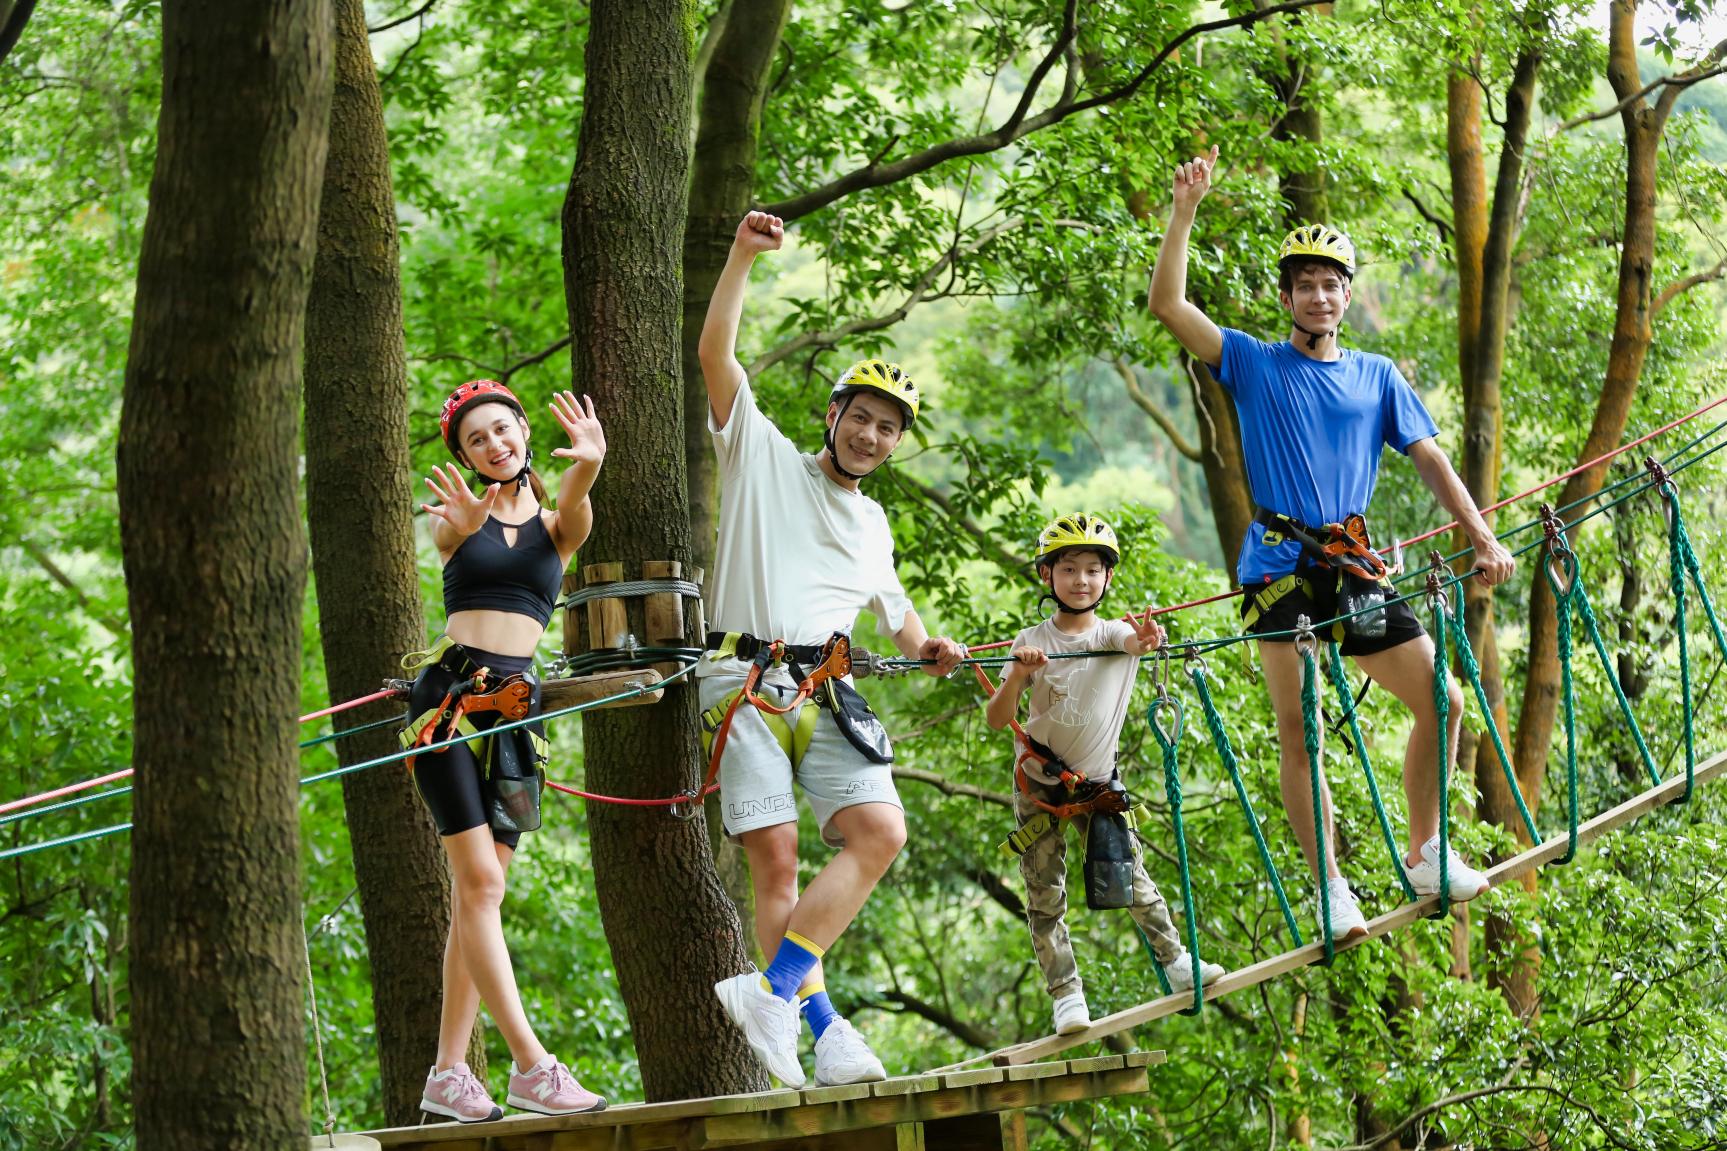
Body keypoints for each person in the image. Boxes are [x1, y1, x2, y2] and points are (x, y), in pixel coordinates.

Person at [1147, 146, 1517, 942]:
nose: (1319, 295)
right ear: (1286, 297)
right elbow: (1169, 306)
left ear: (1346, 295)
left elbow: (1428, 454)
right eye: (1305, 284)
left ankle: (1425, 850)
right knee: (1299, 726)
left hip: (1351, 566)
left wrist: (1478, 532)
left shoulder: (1378, 374)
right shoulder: (1251, 361)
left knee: (1444, 699)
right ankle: (1329, 891)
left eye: (1331, 283)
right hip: (1278, 565)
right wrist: (1184, 212)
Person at [697, 211, 967, 1088]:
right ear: (834, 414)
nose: (871, 435)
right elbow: (716, 357)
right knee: (774, 855)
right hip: (743, 676)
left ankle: (776, 994)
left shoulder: (875, 520)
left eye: (888, 428)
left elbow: (904, 625)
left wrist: (934, 649)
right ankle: (821, 1024)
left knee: (880, 830)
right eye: (861, 417)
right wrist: (743, 256)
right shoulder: (764, 459)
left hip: (824, 686)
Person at [404, 379, 608, 1122]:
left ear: (523, 431)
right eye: (475, 440)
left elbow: (577, 502)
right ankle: (531, 1063)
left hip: (519, 716)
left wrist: (588, 459)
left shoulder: (560, 527)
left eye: (501, 430)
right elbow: (447, 537)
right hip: (451, 705)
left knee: (477, 896)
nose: (493, 444)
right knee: (481, 885)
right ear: (464, 456)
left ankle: (449, 1072)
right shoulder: (461, 519)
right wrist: (460, 526)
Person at [985, 513, 1226, 1035]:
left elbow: (1135, 644)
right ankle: (1066, 995)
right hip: (1041, 788)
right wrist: (1020, 675)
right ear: (1047, 576)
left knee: (1131, 877)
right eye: (1068, 569)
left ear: (1107, 579)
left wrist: (1149, 639)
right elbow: (997, 718)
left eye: (1092, 570)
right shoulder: (1032, 639)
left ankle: (1176, 962)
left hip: (1097, 789)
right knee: (1044, 893)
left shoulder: (1115, 633)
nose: (1081, 580)